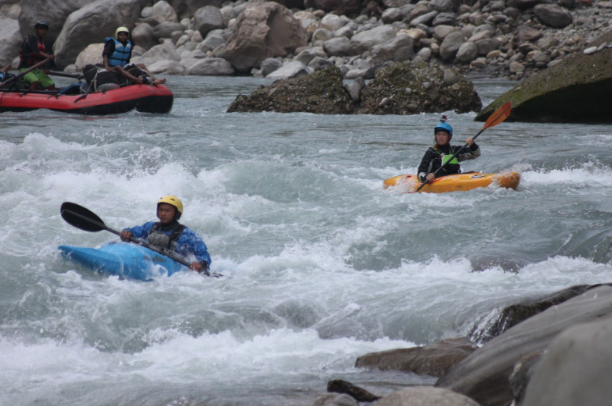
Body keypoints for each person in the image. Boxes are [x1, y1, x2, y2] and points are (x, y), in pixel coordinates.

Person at [119, 195, 211, 273]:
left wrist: (201, 264)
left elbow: (203, 254)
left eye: (167, 211)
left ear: (176, 214)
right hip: (149, 260)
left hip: (170, 267)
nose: (163, 214)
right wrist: (127, 232)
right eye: (161, 210)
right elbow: (134, 231)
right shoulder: (150, 226)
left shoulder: (186, 234)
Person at [18, 20, 56, 91]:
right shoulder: (31, 38)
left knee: (51, 84)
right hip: (25, 69)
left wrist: (45, 68)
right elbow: (35, 50)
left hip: (36, 69)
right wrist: (48, 56)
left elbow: (41, 58)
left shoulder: (42, 43)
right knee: (35, 81)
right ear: (36, 30)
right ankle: (31, 98)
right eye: (41, 29)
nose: (43, 31)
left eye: (45, 29)